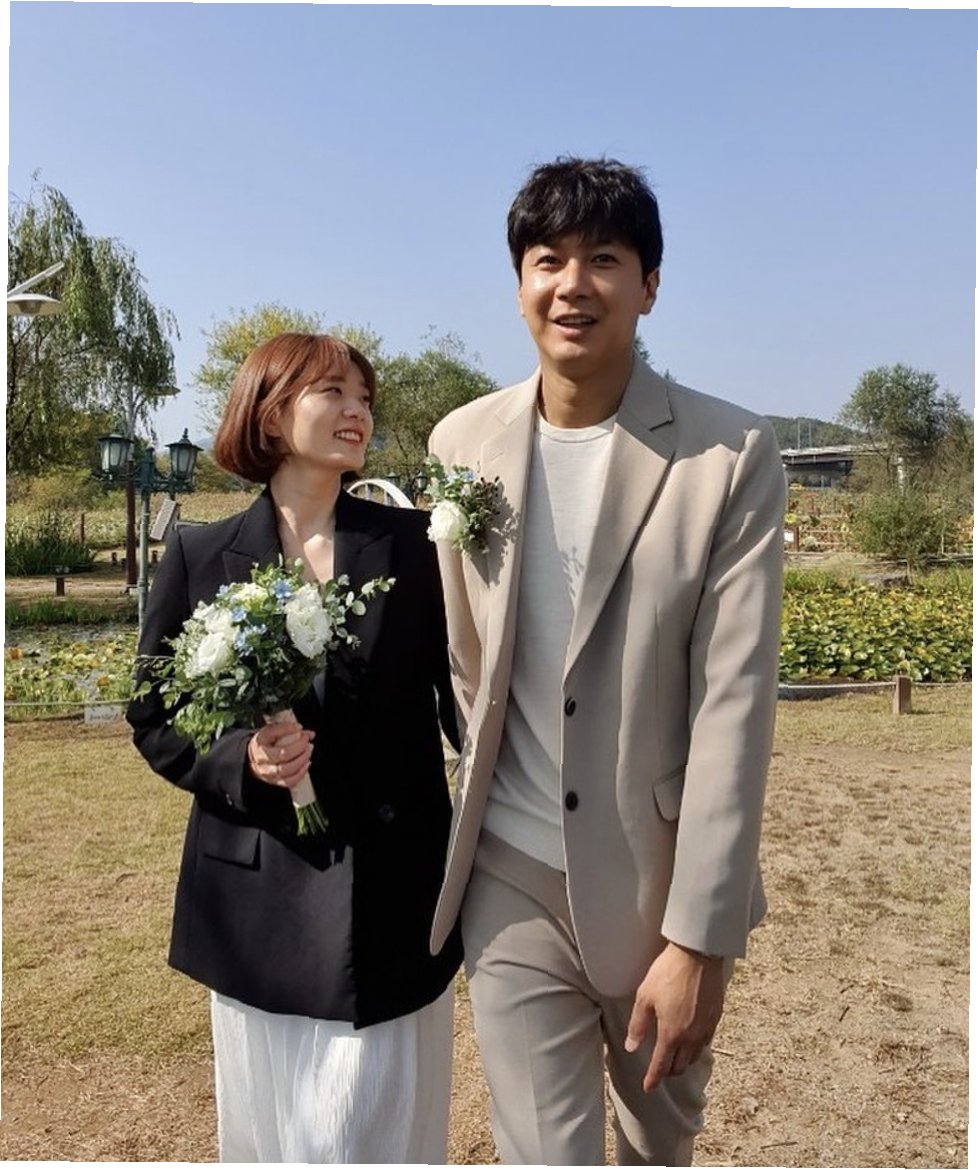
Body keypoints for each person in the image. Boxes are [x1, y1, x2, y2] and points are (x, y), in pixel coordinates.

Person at [427, 157, 786, 1165]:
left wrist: (698, 937)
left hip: (656, 884)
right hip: (509, 872)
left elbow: (734, 707)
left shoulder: (728, 454)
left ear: (650, 285)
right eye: (547, 260)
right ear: (519, 284)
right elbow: (464, 658)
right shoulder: (462, 443)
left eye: (604, 259)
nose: (572, 285)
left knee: (654, 1148)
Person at [127, 333, 462, 1163]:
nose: (358, 412)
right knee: (270, 1134)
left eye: (364, 398)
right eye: (333, 393)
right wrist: (240, 759)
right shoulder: (200, 554)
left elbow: (467, 700)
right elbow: (154, 713)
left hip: (394, 888)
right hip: (256, 902)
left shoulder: (417, 547)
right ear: (272, 413)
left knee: (375, 1130)